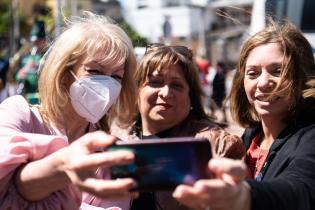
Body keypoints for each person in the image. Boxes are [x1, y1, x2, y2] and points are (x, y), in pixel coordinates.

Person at [0, 11, 139, 210]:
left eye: (116, 76)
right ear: (64, 73)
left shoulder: (113, 153)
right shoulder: (18, 115)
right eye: (95, 71)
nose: (107, 84)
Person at [172, 20, 315, 210]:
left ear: (303, 76)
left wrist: (245, 196)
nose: (263, 83)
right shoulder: (249, 137)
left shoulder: (310, 137)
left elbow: (301, 189)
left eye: (278, 71)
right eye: (253, 73)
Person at [110, 44, 245, 210]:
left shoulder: (216, 145)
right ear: (137, 90)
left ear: (191, 97)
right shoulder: (114, 139)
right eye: (155, 82)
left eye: (176, 85)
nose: (166, 93)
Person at [15, 18, 47, 104]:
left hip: (43, 99)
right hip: (27, 99)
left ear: (44, 41)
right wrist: (22, 73)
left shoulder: (48, 57)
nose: (35, 44)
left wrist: (38, 65)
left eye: (38, 41)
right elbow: (16, 77)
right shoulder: (26, 58)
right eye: (33, 42)